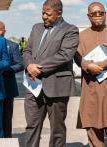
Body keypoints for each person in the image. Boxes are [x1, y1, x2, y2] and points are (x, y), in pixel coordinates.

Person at [22, 0, 79, 146]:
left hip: (56, 87)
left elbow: (64, 55)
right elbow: (27, 50)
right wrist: (29, 65)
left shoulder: (70, 30)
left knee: (57, 130)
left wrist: (37, 68)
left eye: (48, 14)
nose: (44, 17)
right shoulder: (36, 28)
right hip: (33, 86)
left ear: (59, 13)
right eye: (42, 13)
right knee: (32, 126)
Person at [74, 2, 107, 147]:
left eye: (101, 12)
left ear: (105, 14)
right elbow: (77, 56)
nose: (98, 16)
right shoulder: (82, 36)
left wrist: (100, 65)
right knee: (93, 130)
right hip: (91, 89)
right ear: (88, 16)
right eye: (94, 13)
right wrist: (87, 66)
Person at [0, 20, 24, 137]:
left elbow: (20, 65)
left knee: (6, 117)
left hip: (7, 88)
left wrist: (5, 69)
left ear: (4, 31)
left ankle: (7, 140)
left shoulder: (13, 46)